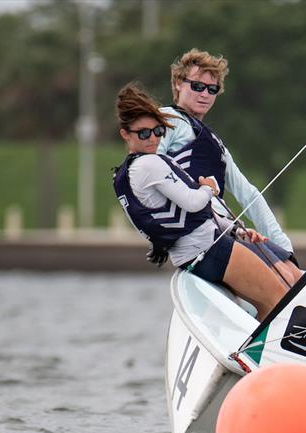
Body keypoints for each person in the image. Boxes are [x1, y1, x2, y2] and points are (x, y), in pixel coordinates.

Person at [113, 82, 287, 321]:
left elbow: (190, 216)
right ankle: (257, 355)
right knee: (280, 296)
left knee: (268, 299)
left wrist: (236, 231)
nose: (152, 139)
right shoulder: (149, 165)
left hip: (196, 254)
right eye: (143, 133)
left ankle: (254, 351)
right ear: (125, 134)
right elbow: (194, 203)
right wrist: (208, 188)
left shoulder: (127, 172)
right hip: (209, 250)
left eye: (157, 131)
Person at [157, 48, 302, 286]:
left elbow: (249, 194)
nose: (205, 94)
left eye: (212, 89)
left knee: (294, 275)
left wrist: (285, 248)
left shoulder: (217, 145)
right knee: (283, 279)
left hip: (229, 229)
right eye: (197, 86)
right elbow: (150, 169)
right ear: (178, 84)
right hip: (202, 234)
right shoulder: (166, 120)